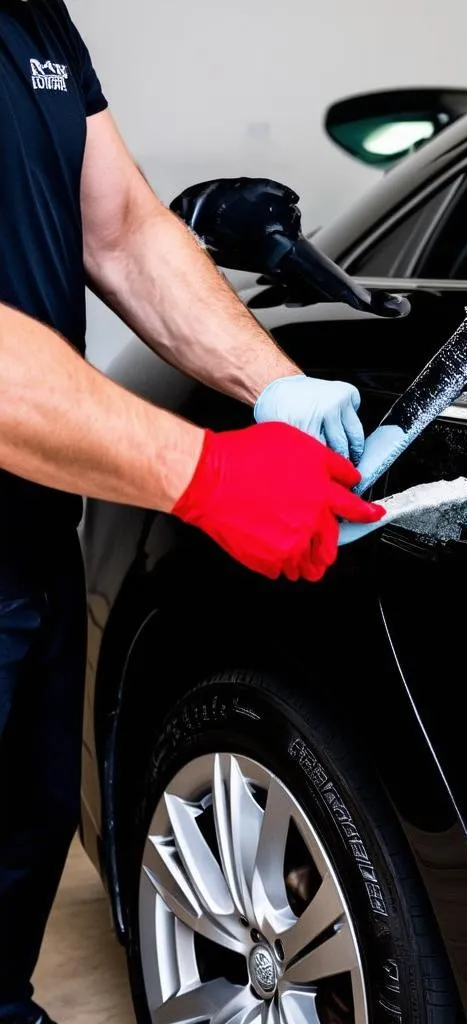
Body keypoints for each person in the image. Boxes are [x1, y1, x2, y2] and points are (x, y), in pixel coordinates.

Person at [0, 3, 386, 1021]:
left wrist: (274, 383)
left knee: (17, 844)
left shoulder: (35, 18)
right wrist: (208, 476)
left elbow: (120, 224)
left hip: (29, 535)